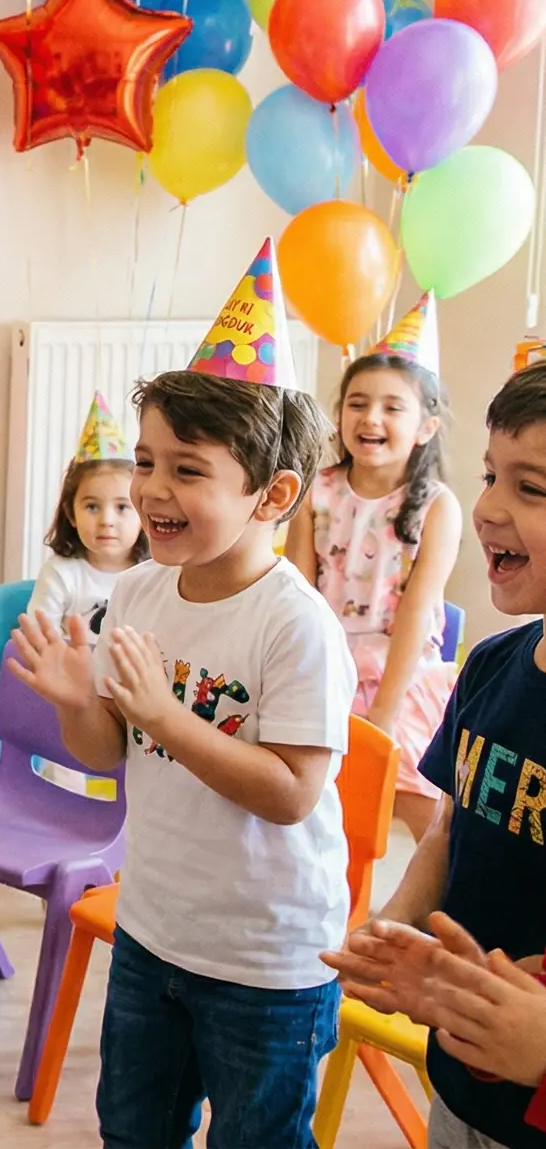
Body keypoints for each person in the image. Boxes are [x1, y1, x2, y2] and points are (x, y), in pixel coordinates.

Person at [10, 243, 352, 1149]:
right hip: (155, 929)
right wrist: (78, 701)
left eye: (187, 472)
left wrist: (167, 714)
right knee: (134, 1130)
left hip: (267, 961)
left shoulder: (295, 626)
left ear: (272, 494)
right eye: (148, 462)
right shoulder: (143, 589)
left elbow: (290, 793)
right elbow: (107, 754)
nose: (151, 491)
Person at [323, 351, 546, 1149]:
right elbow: (449, 833)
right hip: (458, 1087)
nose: (484, 508)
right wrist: (394, 927)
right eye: (490, 475)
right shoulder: (492, 666)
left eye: (531, 488)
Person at [288, 295, 460, 840]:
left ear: (426, 427)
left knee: (422, 802)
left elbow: (415, 613)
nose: (371, 418)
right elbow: (294, 590)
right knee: (308, 791)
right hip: (325, 662)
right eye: (358, 403)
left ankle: (438, 910)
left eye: (392, 406)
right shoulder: (316, 489)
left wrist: (384, 709)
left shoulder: (437, 505)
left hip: (401, 676)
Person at [30, 391, 148, 630]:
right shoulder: (61, 574)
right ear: (71, 513)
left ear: (143, 513)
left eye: (122, 507)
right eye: (92, 506)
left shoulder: (154, 575)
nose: (107, 520)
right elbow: (36, 641)